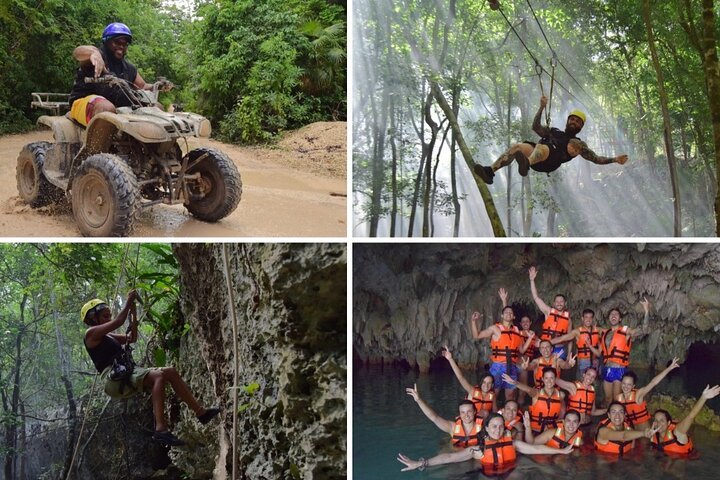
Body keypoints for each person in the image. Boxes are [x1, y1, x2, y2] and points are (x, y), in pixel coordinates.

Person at [81, 291, 220, 446]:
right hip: (113, 378)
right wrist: (128, 302)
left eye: (109, 315)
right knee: (159, 376)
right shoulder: (90, 334)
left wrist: (133, 313)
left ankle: (201, 413)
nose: (109, 319)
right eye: (105, 316)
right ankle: (161, 430)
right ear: (93, 318)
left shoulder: (108, 337)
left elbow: (132, 338)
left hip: (124, 372)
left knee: (170, 372)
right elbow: (119, 321)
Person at [472, 95, 628, 184]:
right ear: (568, 121)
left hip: (550, 161)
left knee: (544, 148)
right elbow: (535, 127)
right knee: (517, 147)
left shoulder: (579, 144)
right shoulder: (554, 130)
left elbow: (596, 159)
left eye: (578, 121)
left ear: (581, 127)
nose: (574, 122)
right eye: (572, 119)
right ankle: (490, 172)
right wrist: (541, 107)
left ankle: (526, 164)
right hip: (538, 156)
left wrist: (615, 159)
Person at [68, 22, 172, 127]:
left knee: (157, 107)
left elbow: (143, 86)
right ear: (106, 41)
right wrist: (93, 52)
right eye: (117, 42)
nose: (121, 46)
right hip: (83, 102)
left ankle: (154, 143)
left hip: (117, 105)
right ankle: (96, 143)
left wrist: (158, 85)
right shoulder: (95, 58)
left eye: (125, 44)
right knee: (106, 108)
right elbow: (78, 52)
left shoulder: (128, 68)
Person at [396, 412, 573, 472]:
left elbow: (537, 449)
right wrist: (420, 463)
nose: (497, 430)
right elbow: (448, 457)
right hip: (488, 474)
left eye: (500, 427)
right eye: (494, 427)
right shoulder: (478, 449)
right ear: (486, 429)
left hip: (511, 472)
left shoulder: (513, 444)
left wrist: (561, 451)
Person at [469, 306, 533, 401]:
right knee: (494, 393)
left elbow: (522, 350)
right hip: (498, 366)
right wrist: (473, 321)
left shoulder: (517, 331)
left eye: (510, 312)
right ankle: (492, 413)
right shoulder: (495, 328)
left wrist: (530, 339)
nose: (508, 313)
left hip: (512, 366)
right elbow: (477, 335)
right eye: (506, 312)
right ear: (502, 315)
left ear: (514, 317)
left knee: (510, 394)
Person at [600, 298, 652, 406]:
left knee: (617, 399)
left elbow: (644, 330)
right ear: (609, 318)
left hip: (619, 369)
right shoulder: (606, 333)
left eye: (616, 315)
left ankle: (618, 420)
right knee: (608, 398)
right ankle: (609, 419)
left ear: (620, 319)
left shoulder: (626, 332)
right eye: (611, 314)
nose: (613, 316)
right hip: (607, 368)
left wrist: (646, 311)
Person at [405, 384, 484, 447]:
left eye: (469, 411)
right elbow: (434, 417)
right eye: (463, 412)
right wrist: (419, 400)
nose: (466, 415)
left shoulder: (483, 427)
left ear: (474, 412)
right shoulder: (452, 427)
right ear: (459, 414)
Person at [651, 385, 720, 455]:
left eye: (662, 420)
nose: (658, 423)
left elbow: (690, 416)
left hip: (685, 461)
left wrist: (704, 397)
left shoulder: (678, 432)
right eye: (656, 420)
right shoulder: (653, 435)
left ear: (668, 423)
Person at [617, 358, 680, 430]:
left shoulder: (638, 394)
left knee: (645, 441)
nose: (626, 387)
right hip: (630, 429)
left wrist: (669, 368)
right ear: (621, 383)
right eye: (624, 383)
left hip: (644, 428)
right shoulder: (618, 398)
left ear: (633, 386)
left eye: (629, 384)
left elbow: (653, 382)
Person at [502, 367, 567, 435]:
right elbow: (528, 390)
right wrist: (515, 383)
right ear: (543, 379)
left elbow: (562, 411)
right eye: (546, 378)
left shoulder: (561, 395)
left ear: (555, 379)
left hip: (551, 430)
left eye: (552, 378)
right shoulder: (536, 393)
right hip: (535, 431)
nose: (549, 381)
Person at [441, 346, 497, 417]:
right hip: (470, 419)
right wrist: (450, 359)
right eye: (484, 382)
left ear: (492, 385)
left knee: (487, 414)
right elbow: (461, 377)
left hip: (483, 421)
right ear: (481, 382)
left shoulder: (492, 395)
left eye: (489, 383)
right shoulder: (472, 390)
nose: (486, 385)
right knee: (486, 413)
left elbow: (495, 411)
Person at [528, 267, 571, 359]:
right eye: (557, 302)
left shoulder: (568, 319)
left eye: (561, 301)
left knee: (557, 371)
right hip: (545, 347)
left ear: (565, 303)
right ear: (554, 303)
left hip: (560, 349)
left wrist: (569, 354)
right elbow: (536, 297)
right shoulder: (548, 311)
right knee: (544, 369)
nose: (559, 303)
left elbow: (570, 338)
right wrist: (532, 280)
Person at [550, 309, 601, 373]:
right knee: (583, 380)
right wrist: (545, 342)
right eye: (586, 317)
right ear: (582, 318)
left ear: (593, 319)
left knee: (595, 381)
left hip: (595, 361)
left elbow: (611, 331)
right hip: (584, 361)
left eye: (590, 317)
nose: (588, 320)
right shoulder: (577, 331)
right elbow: (562, 338)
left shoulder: (598, 330)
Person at [517, 314, 539, 404]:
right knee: (513, 390)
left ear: (530, 323)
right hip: (517, 363)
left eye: (527, 321)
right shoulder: (517, 334)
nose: (525, 323)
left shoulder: (534, 336)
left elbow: (542, 345)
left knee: (523, 390)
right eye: (523, 321)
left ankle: (520, 409)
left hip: (526, 366)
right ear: (520, 324)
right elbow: (521, 351)